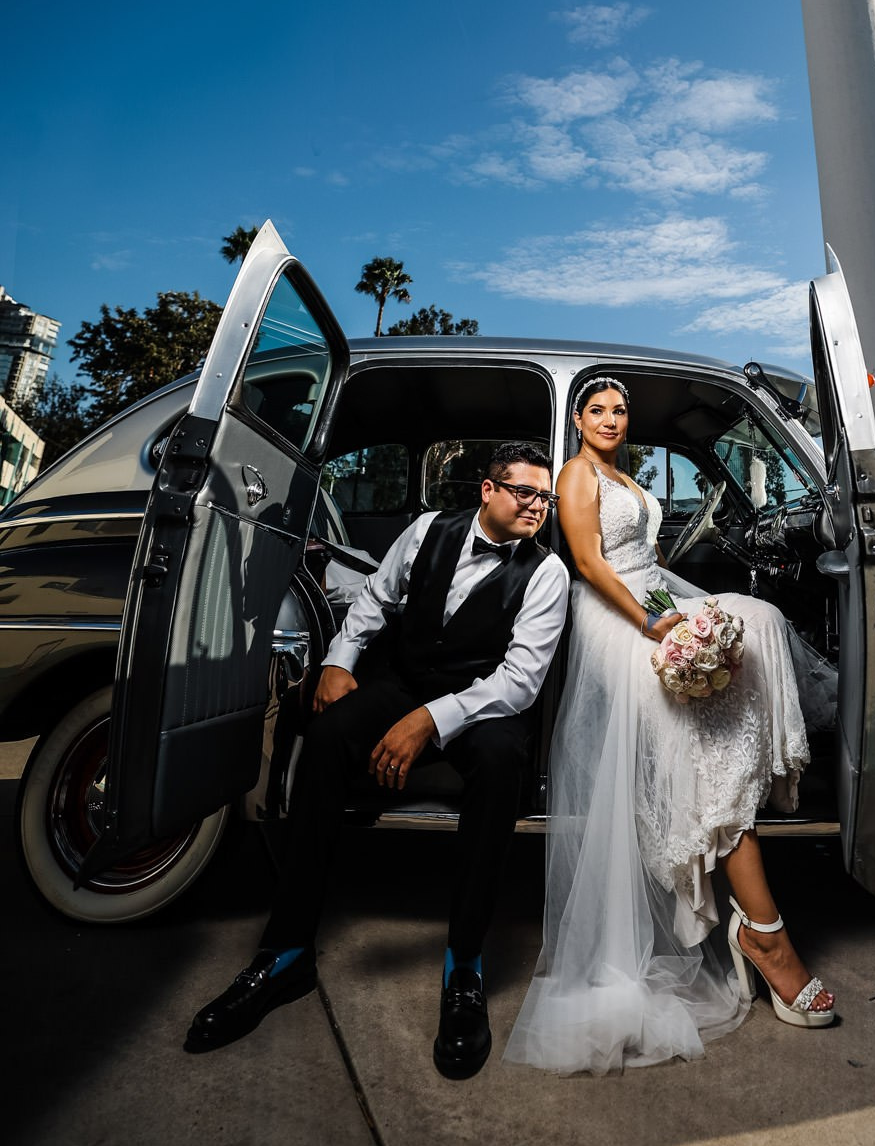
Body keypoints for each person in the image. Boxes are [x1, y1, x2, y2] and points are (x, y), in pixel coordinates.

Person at [186, 442, 570, 1079]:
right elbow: (374, 600)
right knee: (331, 730)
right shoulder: (426, 530)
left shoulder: (547, 572)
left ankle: (465, 967)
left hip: (480, 702)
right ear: (487, 490)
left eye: (544, 497)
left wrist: (427, 722)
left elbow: (520, 682)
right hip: (407, 677)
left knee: (503, 760)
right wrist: (339, 663)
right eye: (524, 492)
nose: (537, 506)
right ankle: (285, 951)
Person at [505, 378, 834, 1075]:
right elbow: (591, 564)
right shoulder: (576, 473)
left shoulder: (624, 474)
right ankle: (766, 937)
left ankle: (748, 835)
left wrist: (684, 610)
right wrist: (656, 625)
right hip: (611, 616)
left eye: (619, 410)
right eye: (596, 409)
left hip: (649, 593)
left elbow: (647, 562)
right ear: (577, 418)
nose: (610, 419)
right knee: (705, 749)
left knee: (760, 620)